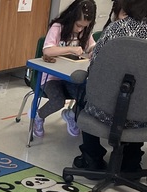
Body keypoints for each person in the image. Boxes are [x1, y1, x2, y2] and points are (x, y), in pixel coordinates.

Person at [75, 0, 147, 174]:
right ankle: (131, 162)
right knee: (143, 99)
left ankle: (92, 158)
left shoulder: (115, 28)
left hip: (103, 111)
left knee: (85, 93)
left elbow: (95, 69)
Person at [34, 0, 97, 139]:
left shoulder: (84, 30)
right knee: (58, 101)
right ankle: (38, 116)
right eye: (78, 25)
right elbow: (47, 50)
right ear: (71, 18)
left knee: (87, 97)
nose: (80, 29)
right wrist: (70, 49)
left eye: (84, 26)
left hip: (71, 76)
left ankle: (71, 114)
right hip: (51, 77)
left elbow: (92, 45)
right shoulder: (58, 27)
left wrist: (93, 50)